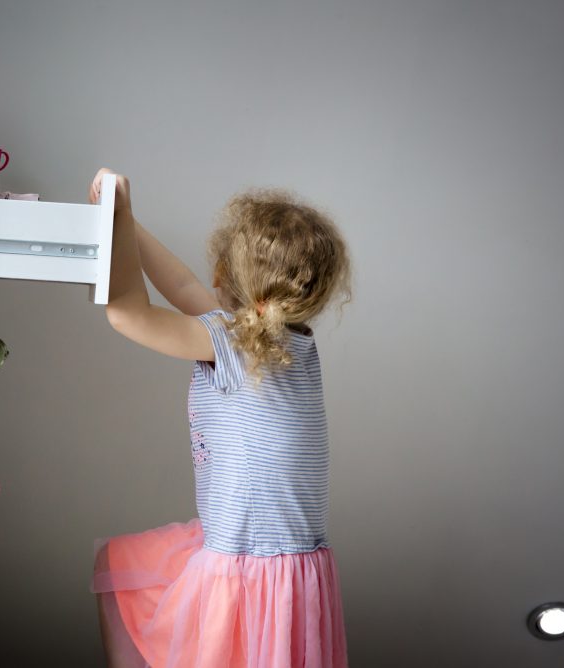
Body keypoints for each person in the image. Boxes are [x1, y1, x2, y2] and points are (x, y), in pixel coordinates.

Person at [89, 168, 351, 668]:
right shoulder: (289, 343)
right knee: (122, 564)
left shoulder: (233, 345)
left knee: (119, 570)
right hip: (290, 574)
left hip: (248, 572)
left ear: (227, 280)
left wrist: (118, 222)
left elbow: (128, 314)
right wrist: (123, 218)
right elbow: (182, 284)